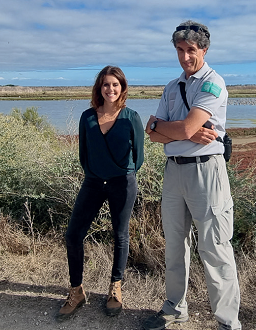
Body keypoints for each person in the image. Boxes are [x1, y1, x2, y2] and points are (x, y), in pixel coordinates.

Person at [142, 21, 241, 330]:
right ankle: (174, 308)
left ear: (204, 50)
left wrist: (167, 128)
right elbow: (152, 133)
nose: (185, 57)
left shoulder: (214, 83)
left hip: (206, 173)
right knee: (174, 245)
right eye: (180, 50)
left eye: (191, 51)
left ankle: (227, 322)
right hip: (174, 173)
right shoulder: (171, 87)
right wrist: (166, 129)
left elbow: (180, 128)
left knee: (215, 248)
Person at [57, 66, 144, 320]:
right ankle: (77, 290)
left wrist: (123, 172)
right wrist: (95, 172)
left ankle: (115, 288)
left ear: (122, 87)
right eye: (106, 85)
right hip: (93, 182)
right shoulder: (87, 117)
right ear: (99, 88)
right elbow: (83, 153)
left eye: (115, 85)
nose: (111, 89)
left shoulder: (132, 116)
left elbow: (138, 156)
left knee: (119, 235)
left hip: (122, 182)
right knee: (73, 234)